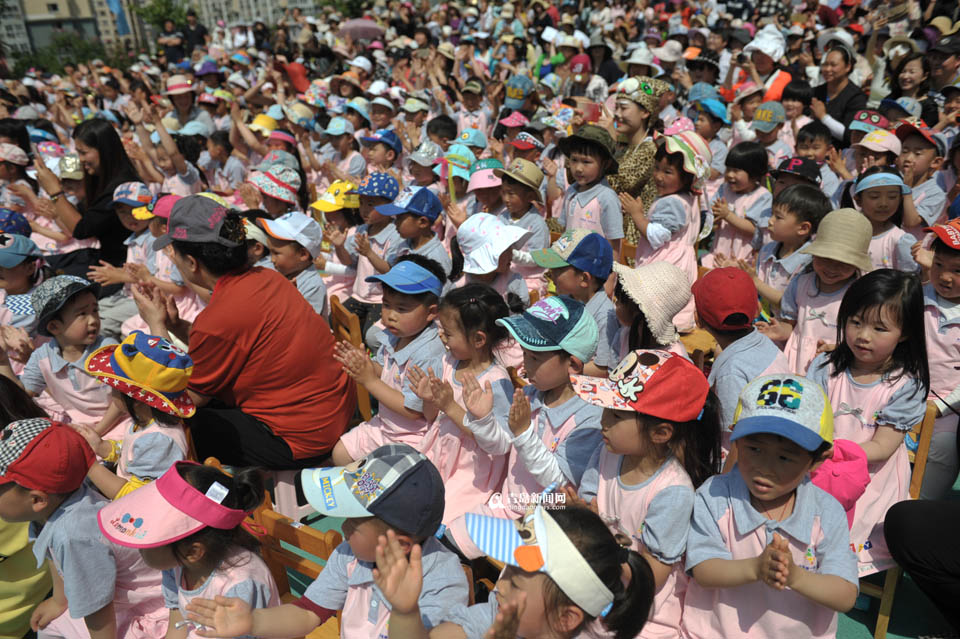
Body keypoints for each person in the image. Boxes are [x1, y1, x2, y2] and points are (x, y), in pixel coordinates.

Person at [134, 194, 355, 468]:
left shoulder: (218, 318)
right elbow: (227, 344)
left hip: (301, 437)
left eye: (174, 253)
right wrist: (175, 325)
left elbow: (184, 399)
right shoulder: (268, 277)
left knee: (175, 421)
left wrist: (156, 325)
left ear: (192, 263)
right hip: (333, 409)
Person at [184, 444, 469, 639]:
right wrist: (254, 621)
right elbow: (308, 613)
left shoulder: (443, 579)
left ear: (401, 544)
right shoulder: (349, 556)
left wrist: (406, 611)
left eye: (354, 522)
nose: (343, 528)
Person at [683, 375, 859, 638]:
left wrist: (795, 577)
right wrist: (756, 568)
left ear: (817, 460)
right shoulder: (715, 495)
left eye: (785, 457)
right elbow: (703, 569)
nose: (765, 468)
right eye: (754, 449)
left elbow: (845, 594)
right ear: (736, 443)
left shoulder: (825, 513)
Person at [572, 349, 721, 638]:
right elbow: (588, 501)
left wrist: (600, 542)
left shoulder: (673, 492)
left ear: (661, 433)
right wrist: (577, 509)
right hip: (599, 584)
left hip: (642, 614)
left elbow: (650, 577)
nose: (603, 420)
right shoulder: (608, 451)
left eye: (615, 414)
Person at [378, 501, 656, 639]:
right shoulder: (491, 615)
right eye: (507, 571)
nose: (501, 586)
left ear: (566, 618)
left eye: (516, 581)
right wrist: (405, 611)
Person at [808, 269, 929, 577]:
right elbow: (809, 419)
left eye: (879, 328)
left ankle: (847, 575)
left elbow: (883, 446)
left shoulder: (904, 384)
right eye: (856, 321)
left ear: (904, 333)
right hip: (820, 464)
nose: (863, 335)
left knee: (851, 534)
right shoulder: (825, 367)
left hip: (871, 478)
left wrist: (831, 449)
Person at [0, 418, 167, 639]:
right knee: (49, 628)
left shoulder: (73, 535)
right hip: (115, 593)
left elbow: (98, 606)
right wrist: (60, 601)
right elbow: (54, 556)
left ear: (37, 499)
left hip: (148, 605)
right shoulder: (57, 504)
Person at [98, 461, 278, 638]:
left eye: (149, 542)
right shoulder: (176, 564)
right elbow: (177, 626)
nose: (138, 546)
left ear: (193, 552)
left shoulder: (240, 586)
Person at [411, 283, 516, 524]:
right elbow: (431, 418)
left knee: (440, 518)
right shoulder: (450, 361)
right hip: (439, 452)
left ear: (478, 339)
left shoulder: (495, 382)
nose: (441, 336)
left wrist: (449, 406)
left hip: (472, 469)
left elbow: (499, 443)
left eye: (448, 333)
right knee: (410, 501)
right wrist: (429, 399)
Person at [332, 258, 447, 463]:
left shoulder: (428, 352)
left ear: (431, 312)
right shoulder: (394, 335)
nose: (390, 315)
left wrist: (370, 381)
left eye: (402, 309)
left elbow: (412, 410)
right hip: (384, 425)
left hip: (410, 437)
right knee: (340, 454)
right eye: (386, 305)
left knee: (377, 480)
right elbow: (384, 369)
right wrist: (367, 366)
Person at [78, 330, 192, 499]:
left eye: (115, 389)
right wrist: (100, 446)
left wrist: (89, 464)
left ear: (137, 399)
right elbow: (132, 453)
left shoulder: (158, 441)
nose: (110, 393)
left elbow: (135, 496)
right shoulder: (146, 421)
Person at [692, 267, 791, 459]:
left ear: (698, 320)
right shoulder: (768, 345)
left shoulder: (731, 371)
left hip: (739, 465)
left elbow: (736, 439)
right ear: (756, 309)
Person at [761, 208, 873, 374]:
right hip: (796, 362)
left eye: (843, 263)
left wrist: (840, 348)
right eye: (825, 258)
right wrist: (779, 331)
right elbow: (790, 325)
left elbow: (864, 337)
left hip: (834, 365)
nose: (832, 268)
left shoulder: (859, 293)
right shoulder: (800, 283)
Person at [622, 131, 711, 332]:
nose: (658, 176)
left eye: (668, 172)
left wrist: (637, 215)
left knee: (656, 309)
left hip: (666, 265)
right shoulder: (688, 199)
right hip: (678, 262)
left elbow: (656, 235)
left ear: (687, 176)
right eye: (657, 169)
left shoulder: (672, 203)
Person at [33, 119, 141, 282]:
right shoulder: (101, 178)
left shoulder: (121, 186)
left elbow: (81, 230)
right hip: (101, 257)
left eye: (84, 152)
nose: (81, 159)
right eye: (78, 152)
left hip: (119, 267)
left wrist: (55, 192)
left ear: (104, 150)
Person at [20, 275, 128, 438]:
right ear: (54, 327)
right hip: (78, 429)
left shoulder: (107, 349)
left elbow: (122, 400)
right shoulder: (42, 358)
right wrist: (3, 361)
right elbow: (20, 396)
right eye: (82, 314)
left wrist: (96, 433)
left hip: (119, 424)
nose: (93, 320)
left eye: (95, 310)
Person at [531, 229, 619, 374]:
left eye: (558, 270)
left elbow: (604, 369)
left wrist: (558, 369)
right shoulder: (565, 300)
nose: (550, 274)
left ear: (584, 279)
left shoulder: (604, 317)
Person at [917, 220, 960, 499]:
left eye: (958, 270)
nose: (945, 277)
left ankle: (920, 511)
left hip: (949, 410)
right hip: (908, 398)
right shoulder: (915, 297)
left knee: (940, 454)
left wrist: (942, 406)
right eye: (939, 265)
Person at [752, 183, 829, 315]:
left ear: (803, 228)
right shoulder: (767, 250)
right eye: (772, 214)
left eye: (778, 217)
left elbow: (788, 304)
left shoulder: (809, 262)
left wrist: (754, 281)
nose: (770, 221)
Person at [703, 141, 772, 269]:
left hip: (743, 260)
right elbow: (712, 213)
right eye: (728, 169)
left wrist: (727, 215)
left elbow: (754, 229)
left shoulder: (762, 197)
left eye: (736, 171)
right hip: (719, 254)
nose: (729, 175)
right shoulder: (723, 189)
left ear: (754, 173)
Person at [558, 125, 623, 261]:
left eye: (586, 162)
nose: (578, 168)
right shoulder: (571, 191)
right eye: (574, 160)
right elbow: (565, 232)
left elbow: (614, 244)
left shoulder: (607, 198)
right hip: (570, 264)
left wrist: (610, 278)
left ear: (605, 164)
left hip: (595, 272)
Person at [611, 261, 692, 360]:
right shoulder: (624, 335)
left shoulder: (675, 359)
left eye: (619, 301)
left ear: (636, 311)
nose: (615, 304)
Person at [258, 211, 328, 316]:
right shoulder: (285, 272)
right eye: (270, 252)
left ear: (303, 255)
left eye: (276, 253)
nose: (272, 260)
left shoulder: (313, 287)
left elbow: (304, 324)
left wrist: (290, 299)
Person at [853, 168, 920, 272]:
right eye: (874, 197)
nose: (883, 203)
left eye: (892, 197)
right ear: (858, 200)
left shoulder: (900, 241)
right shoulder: (845, 231)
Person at [812, 44, 868, 144]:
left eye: (833, 65)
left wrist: (823, 117)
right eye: (825, 64)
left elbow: (849, 135)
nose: (828, 69)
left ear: (848, 67)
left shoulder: (856, 97)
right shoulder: (816, 92)